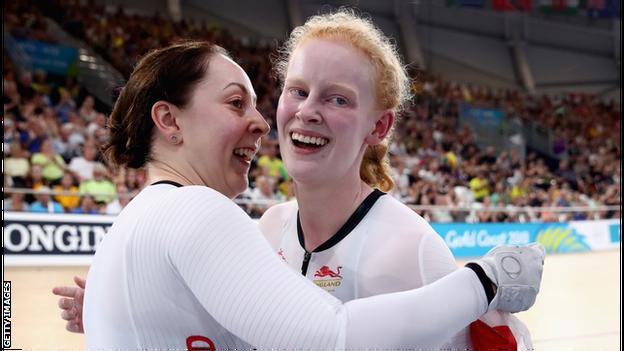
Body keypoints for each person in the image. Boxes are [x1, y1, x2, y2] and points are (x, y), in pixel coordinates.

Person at [53, 40, 544, 350]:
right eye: (235, 103)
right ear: (169, 120)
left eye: (337, 98)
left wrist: (129, 305)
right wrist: (486, 278)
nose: (263, 120)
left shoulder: (412, 246)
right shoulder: (217, 216)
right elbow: (331, 337)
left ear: (379, 126)